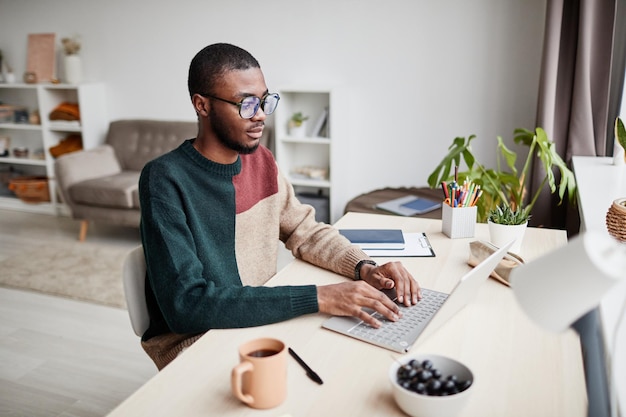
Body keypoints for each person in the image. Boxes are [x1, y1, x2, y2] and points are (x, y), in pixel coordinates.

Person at [138, 42, 422, 370]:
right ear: (202, 105)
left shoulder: (261, 161)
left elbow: (306, 231)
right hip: (198, 339)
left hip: (260, 317)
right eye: (245, 104)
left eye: (263, 101)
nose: (259, 115)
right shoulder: (164, 178)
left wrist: (365, 269)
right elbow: (186, 305)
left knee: (363, 358)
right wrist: (323, 296)